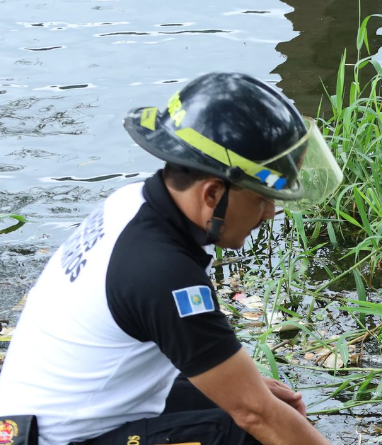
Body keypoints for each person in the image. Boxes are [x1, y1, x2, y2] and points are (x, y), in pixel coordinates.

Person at [0, 72, 343, 445]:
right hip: (55, 438)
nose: (269, 213)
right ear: (213, 194)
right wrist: (255, 406)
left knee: (272, 409)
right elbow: (253, 414)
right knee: (251, 429)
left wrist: (250, 387)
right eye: (262, 197)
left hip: (33, 416)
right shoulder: (160, 269)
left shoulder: (134, 204)